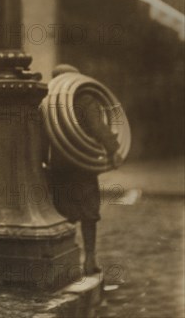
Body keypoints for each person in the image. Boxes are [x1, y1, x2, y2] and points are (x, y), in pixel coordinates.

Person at [45, 64, 123, 275]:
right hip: (83, 166)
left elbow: (42, 138)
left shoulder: (48, 104)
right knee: (89, 214)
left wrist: (44, 162)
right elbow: (98, 127)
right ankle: (89, 258)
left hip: (60, 167)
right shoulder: (84, 100)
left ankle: (65, 260)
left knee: (63, 213)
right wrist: (113, 150)